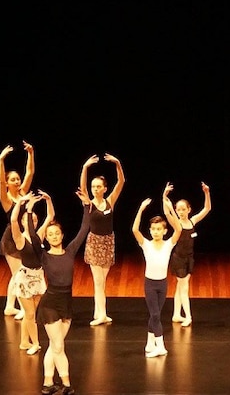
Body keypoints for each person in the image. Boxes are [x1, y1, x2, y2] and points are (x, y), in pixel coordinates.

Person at [32, 189, 91, 395]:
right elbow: (31, 236)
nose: (54, 236)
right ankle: (66, 384)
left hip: (66, 303)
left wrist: (86, 206)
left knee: (54, 345)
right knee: (58, 346)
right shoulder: (43, 255)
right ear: (46, 238)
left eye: (57, 233)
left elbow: (84, 229)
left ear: (62, 235)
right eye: (50, 234)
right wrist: (30, 210)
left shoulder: (71, 250)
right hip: (49, 304)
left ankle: (48, 382)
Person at [131, 184, 183, 357]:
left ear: (164, 230)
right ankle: (160, 346)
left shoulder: (169, 244)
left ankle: (149, 341)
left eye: (159, 229)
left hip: (163, 284)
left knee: (156, 314)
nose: (155, 232)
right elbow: (134, 229)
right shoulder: (146, 244)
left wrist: (170, 208)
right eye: (153, 229)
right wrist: (140, 209)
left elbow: (179, 228)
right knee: (154, 314)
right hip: (150, 284)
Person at [78, 153, 125, 326]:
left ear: (105, 188)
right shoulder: (89, 204)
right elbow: (82, 188)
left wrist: (117, 164)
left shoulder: (110, 201)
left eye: (99, 187)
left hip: (108, 242)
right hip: (95, 243)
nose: (95, 189)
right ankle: (101, 315)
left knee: (102, 282)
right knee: (98, 281)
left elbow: (121, 182)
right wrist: (85, 167)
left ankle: (99, 312)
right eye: (93, 186)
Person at [10, 190, 54, 355]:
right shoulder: (20, 238)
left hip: (38, 277)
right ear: (24, 222)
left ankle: (23, 342)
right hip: (25, 279)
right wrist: (21, 202)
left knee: (31, 314)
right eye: (30, 219)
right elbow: (13, 219)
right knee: (30, 314)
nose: (34, 222)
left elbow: (50, 216)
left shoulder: (39, 236)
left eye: (35, 219)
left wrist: (48, 200)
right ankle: (35, 343)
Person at [163, 181, 211, 328]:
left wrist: (207, 193)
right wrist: (164, 195)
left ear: (189, 209)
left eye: (184, 209)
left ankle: (176, 314)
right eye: (179, 209)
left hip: (189, 259)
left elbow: (207, 208)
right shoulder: (176, 223)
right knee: (184, 288)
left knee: (180, 286)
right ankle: (188, 316)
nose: (181, 212)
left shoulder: (192, 221)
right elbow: (166, 212)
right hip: (178, 259)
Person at [0, 141, 35, 321]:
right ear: (7, 183)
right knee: (19, 273)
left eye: (17, 179)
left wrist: (31, 154)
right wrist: (1, 160)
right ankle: (20, 307)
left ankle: (9, 306)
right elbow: (0, 180)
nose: (17, 181)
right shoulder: (6, 199)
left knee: (18, 273)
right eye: (12, 179)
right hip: (11, 239)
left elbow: (30, 172)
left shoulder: (22, 192)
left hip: (24, 237)